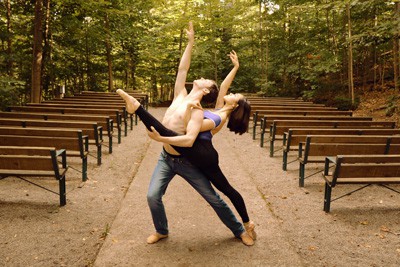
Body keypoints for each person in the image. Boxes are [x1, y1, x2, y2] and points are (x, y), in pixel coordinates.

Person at [118, 22, 254, 246]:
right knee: (152, 196)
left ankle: (240, 229)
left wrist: (163, 135)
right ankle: (161, 230)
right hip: (165, 157)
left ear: (207, 90)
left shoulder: (200, 113)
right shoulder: (180, 94)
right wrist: (190, 42)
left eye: (206, 80)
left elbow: (191, 137)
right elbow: (183, 69)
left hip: (188, 161)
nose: (199, 76)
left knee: (214, 198)